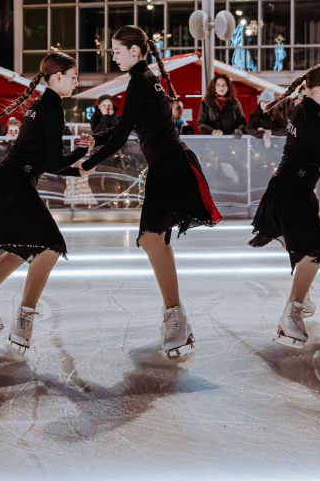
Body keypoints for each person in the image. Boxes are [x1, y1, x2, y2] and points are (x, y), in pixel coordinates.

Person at [79, 26, 221, 358]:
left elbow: (122, 134)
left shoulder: (140, 81)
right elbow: (126, 127)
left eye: (116, 50)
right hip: (168, 165)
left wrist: (90, 163)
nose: (112, 56)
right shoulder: (145, 79)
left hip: (171, 166)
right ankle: (176, 318)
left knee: (150, 237)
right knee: (155, 239)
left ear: (134, 51)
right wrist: (95, 142)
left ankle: (175, 317)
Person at [0, 52, 91, 354]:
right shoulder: (51, 107)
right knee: (50, 246)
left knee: (21, 248)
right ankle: (24, 319)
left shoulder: (41, 105)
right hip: (13, 184)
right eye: (73, 77)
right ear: (57, 77)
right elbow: (54, 163)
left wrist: (76, 161)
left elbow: (47, 161)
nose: (77, 82)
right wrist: (80, 156)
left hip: (7, 182)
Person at [249, 65, 320, 348]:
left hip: (289, 189)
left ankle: (297, 300)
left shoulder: (301, 109)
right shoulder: (311, 116)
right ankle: (294, 310)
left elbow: (318, 158)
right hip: (292, 193)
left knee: (307, 248)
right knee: (314, 250)